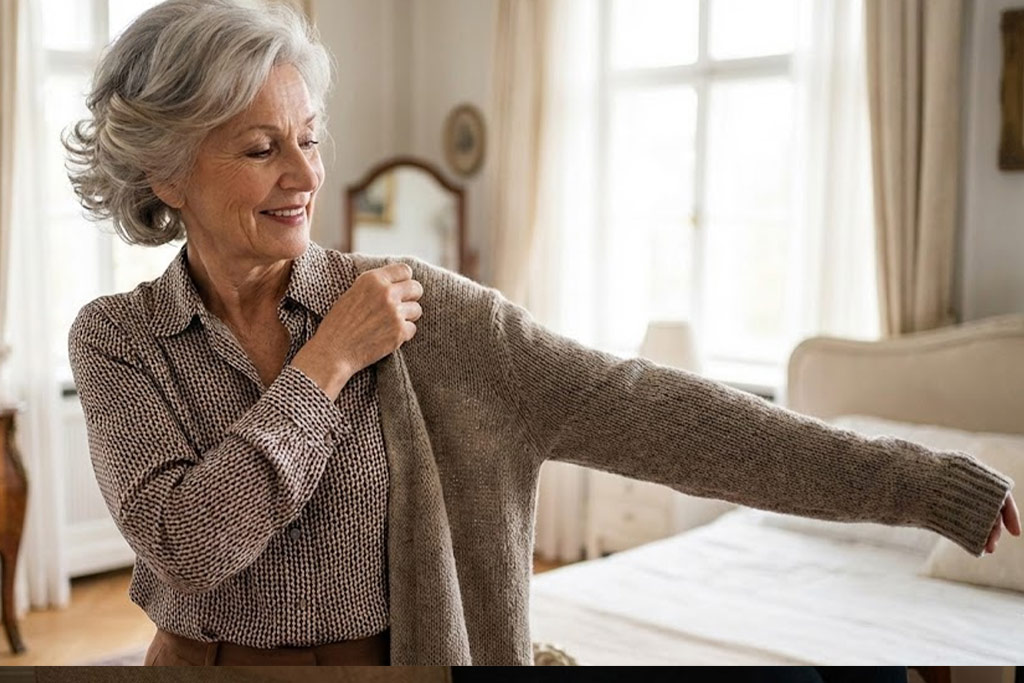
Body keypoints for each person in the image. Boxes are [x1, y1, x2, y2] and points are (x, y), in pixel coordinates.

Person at [65, 0, 1019, 668]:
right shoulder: (118, 342)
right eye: (260, 147)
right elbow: (190, 543)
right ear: (166, 176)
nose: (303, 175)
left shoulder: (427, 313)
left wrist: (917, 482)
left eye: (309, 137)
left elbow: (656, 410)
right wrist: (327, 362)